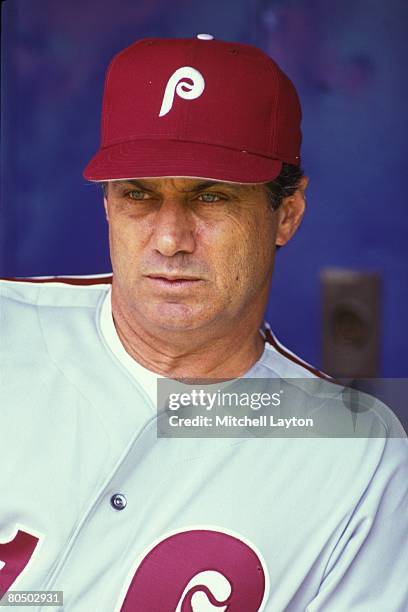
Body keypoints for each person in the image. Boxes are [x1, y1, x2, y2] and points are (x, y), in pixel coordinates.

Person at [0, 36, 406, 612]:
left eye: (211, 198)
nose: (170, 240)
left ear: (285, 214)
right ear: (107, 206)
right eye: (139, 195)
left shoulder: (358, 454)